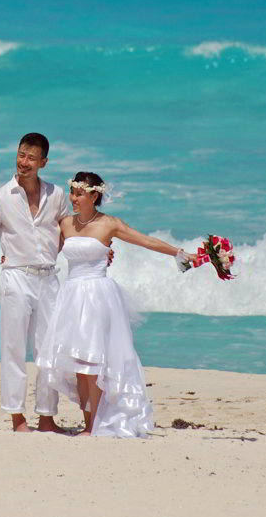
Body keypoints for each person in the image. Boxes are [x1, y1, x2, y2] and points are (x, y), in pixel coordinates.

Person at [35, 171, 196, 437]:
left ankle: (94, 425)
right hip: (71, 296)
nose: (73, 198)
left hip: (98, 296)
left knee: (93, 363)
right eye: (72, 193)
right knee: (78, 366)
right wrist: (13, 257)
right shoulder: (64, 223)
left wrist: (180, 253)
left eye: (79, 194)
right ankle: (89, 423)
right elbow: (42, 248)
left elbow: (146, 240)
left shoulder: (110, 224)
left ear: (94, 196)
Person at [0, 133, 69, 433]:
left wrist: (99, 250)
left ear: (43, 163)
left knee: (49, 351)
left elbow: (69, 233)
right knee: (13, 350)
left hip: (49, 279)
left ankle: (47, 417)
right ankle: (17, 418)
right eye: (21, 155)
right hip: (16, 278)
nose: (24, 162)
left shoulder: (57, 195)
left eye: (31, 158)